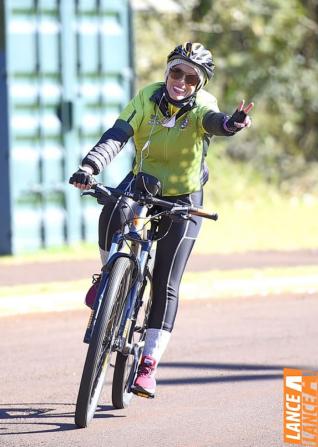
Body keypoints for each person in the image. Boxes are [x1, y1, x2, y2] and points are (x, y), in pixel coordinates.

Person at [69, 42, 254, 399]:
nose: (180, 81)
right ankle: (109, 275)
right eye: (175, 72)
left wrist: (231, 124)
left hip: (184, 198)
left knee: (167, 281)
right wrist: (90, 167)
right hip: (144, 181)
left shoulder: (203, 106)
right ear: (167, 71)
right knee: (112, 209)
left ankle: (148, 364)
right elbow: (118, 135)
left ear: (198, 84)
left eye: (189, 77)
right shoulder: (147, 96)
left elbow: (215, 123)